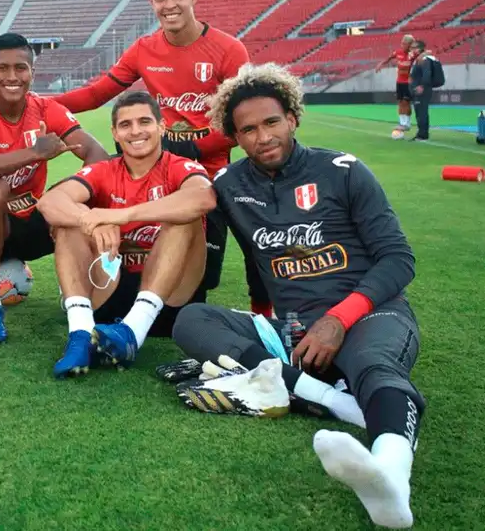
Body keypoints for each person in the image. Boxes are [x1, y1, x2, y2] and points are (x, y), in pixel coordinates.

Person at [169, 63, 423, 529]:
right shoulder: (229, 186)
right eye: (248, 129)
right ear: (236, 138)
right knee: (192, 321)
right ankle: (337, 402)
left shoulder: (343, 170)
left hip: (369, 314)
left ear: (293, 117)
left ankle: (390, 478)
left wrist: (339, 319)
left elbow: (398, 260)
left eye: (271, 122)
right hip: (293, 332)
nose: (263, 137)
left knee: (373, 365)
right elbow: (249, 259)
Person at [52, 0, 271, 319]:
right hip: (160, 160)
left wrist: (192, 148)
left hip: (211, 166)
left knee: (250, 236)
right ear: (151, 2)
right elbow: (96, 94)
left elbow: (241, 120)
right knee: (92, 205)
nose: (169, 4)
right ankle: (99, 291)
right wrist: (38, 104)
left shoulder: (229, 50)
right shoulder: (143, 49)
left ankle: (263, 313)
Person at [37, 92, 215, 377]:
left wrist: (120, 215)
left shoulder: (180, 167)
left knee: (184, 218)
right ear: (115, 134)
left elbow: (203, 199)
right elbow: (49, 202)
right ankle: (80, 334)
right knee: (68, 225)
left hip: (170, 299)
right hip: (112, 289)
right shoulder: (105, 170)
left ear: (161, 126)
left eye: (144, 121)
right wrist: (90, 220)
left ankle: (133, 330)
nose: (135, 131)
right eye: (125, 125)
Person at [0, 32, 110, 344]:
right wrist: (34, 152)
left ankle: (77, 292)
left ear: (32, 73)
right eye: (3, 68)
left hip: (33, 222)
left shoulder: (48, 110)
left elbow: (97, 155)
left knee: (74, 190)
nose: (12, 77)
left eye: (20, 68)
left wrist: (74, 193)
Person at [375, 34, 416, 135]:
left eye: (404, 43)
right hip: (399, 82)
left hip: (408, 83)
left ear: (410, 45)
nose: (402, 45)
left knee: (406, 102)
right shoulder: (398, 52)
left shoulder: (413, 55)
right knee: (400, 102)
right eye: (402, 43)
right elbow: (389, 58)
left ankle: (407, 123)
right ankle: (402, 122)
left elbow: (420, 57)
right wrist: (381, 64)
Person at [407, 40, 435, 142]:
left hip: (422, 90)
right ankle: (421, 133)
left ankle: (423, 134)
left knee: (422, 112)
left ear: (419, 48)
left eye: (414, 48)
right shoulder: (418, 58)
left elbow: (427, 73)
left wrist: (422, 86)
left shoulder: (424, 59)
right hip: (416, 90)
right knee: (419, 112)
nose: (412, 50)